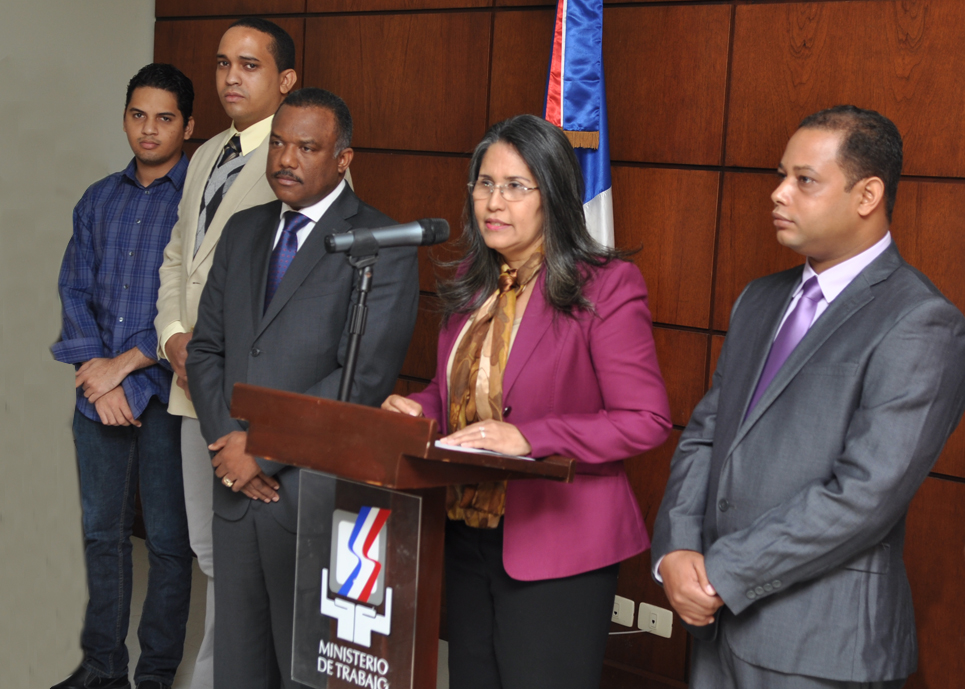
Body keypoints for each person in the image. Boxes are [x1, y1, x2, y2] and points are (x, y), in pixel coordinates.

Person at [651, 105, 965, 689]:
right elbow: (705, 435)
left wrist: (722, 573)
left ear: (867, 195)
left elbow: (865, 495)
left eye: (804, 180)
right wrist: (676, 549)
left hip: (824, 646)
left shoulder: (921, 321)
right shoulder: (758, 299)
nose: (778, 193)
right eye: (781, 176)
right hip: (715, 633)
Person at [382, 114, 672, 689]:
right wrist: (419, 411)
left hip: (558, 543)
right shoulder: (475, 281)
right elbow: (452, 390)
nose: (494, 201)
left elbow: (646, 419)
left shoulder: (606, 285)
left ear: (554, 196)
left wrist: (531, 438)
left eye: (516, 186)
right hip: (468, 528)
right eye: (485, 184)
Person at [185, 87, 419, 689]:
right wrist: (228, 445)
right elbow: (206, 350)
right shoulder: (242, 229)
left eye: (306, 148)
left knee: (308, 672)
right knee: (239, 668)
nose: (286, 159)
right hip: (235, 488)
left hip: (312, 494)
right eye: (279, 144)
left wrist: (260, 450)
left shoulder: (382, 243)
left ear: (343, 159)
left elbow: (362, 377)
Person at [153, 18, 310, 689]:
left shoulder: (300, 156)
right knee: (208, 550)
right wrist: (172, 335)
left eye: (249, 65)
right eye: (223, 63)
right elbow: (176, 258)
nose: (231, 78)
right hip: (189, 384)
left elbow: (299, 290)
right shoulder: (206, 154)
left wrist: (212, 359)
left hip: (248, 398)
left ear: (285, 80)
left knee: (245, 557)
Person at [50, 64, 196, 689]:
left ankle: (155, 677)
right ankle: (102, 669)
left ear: (188, 126)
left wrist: (124, 376)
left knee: (167, 543)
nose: (149, 129)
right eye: (138, 115)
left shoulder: (197, 205)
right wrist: (96, 376)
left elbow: (191, 306)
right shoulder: (97, 199)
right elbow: (73, 290)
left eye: (164, 118)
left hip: (167, 395)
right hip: (97, 399)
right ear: (125, 118)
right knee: (101, 537)